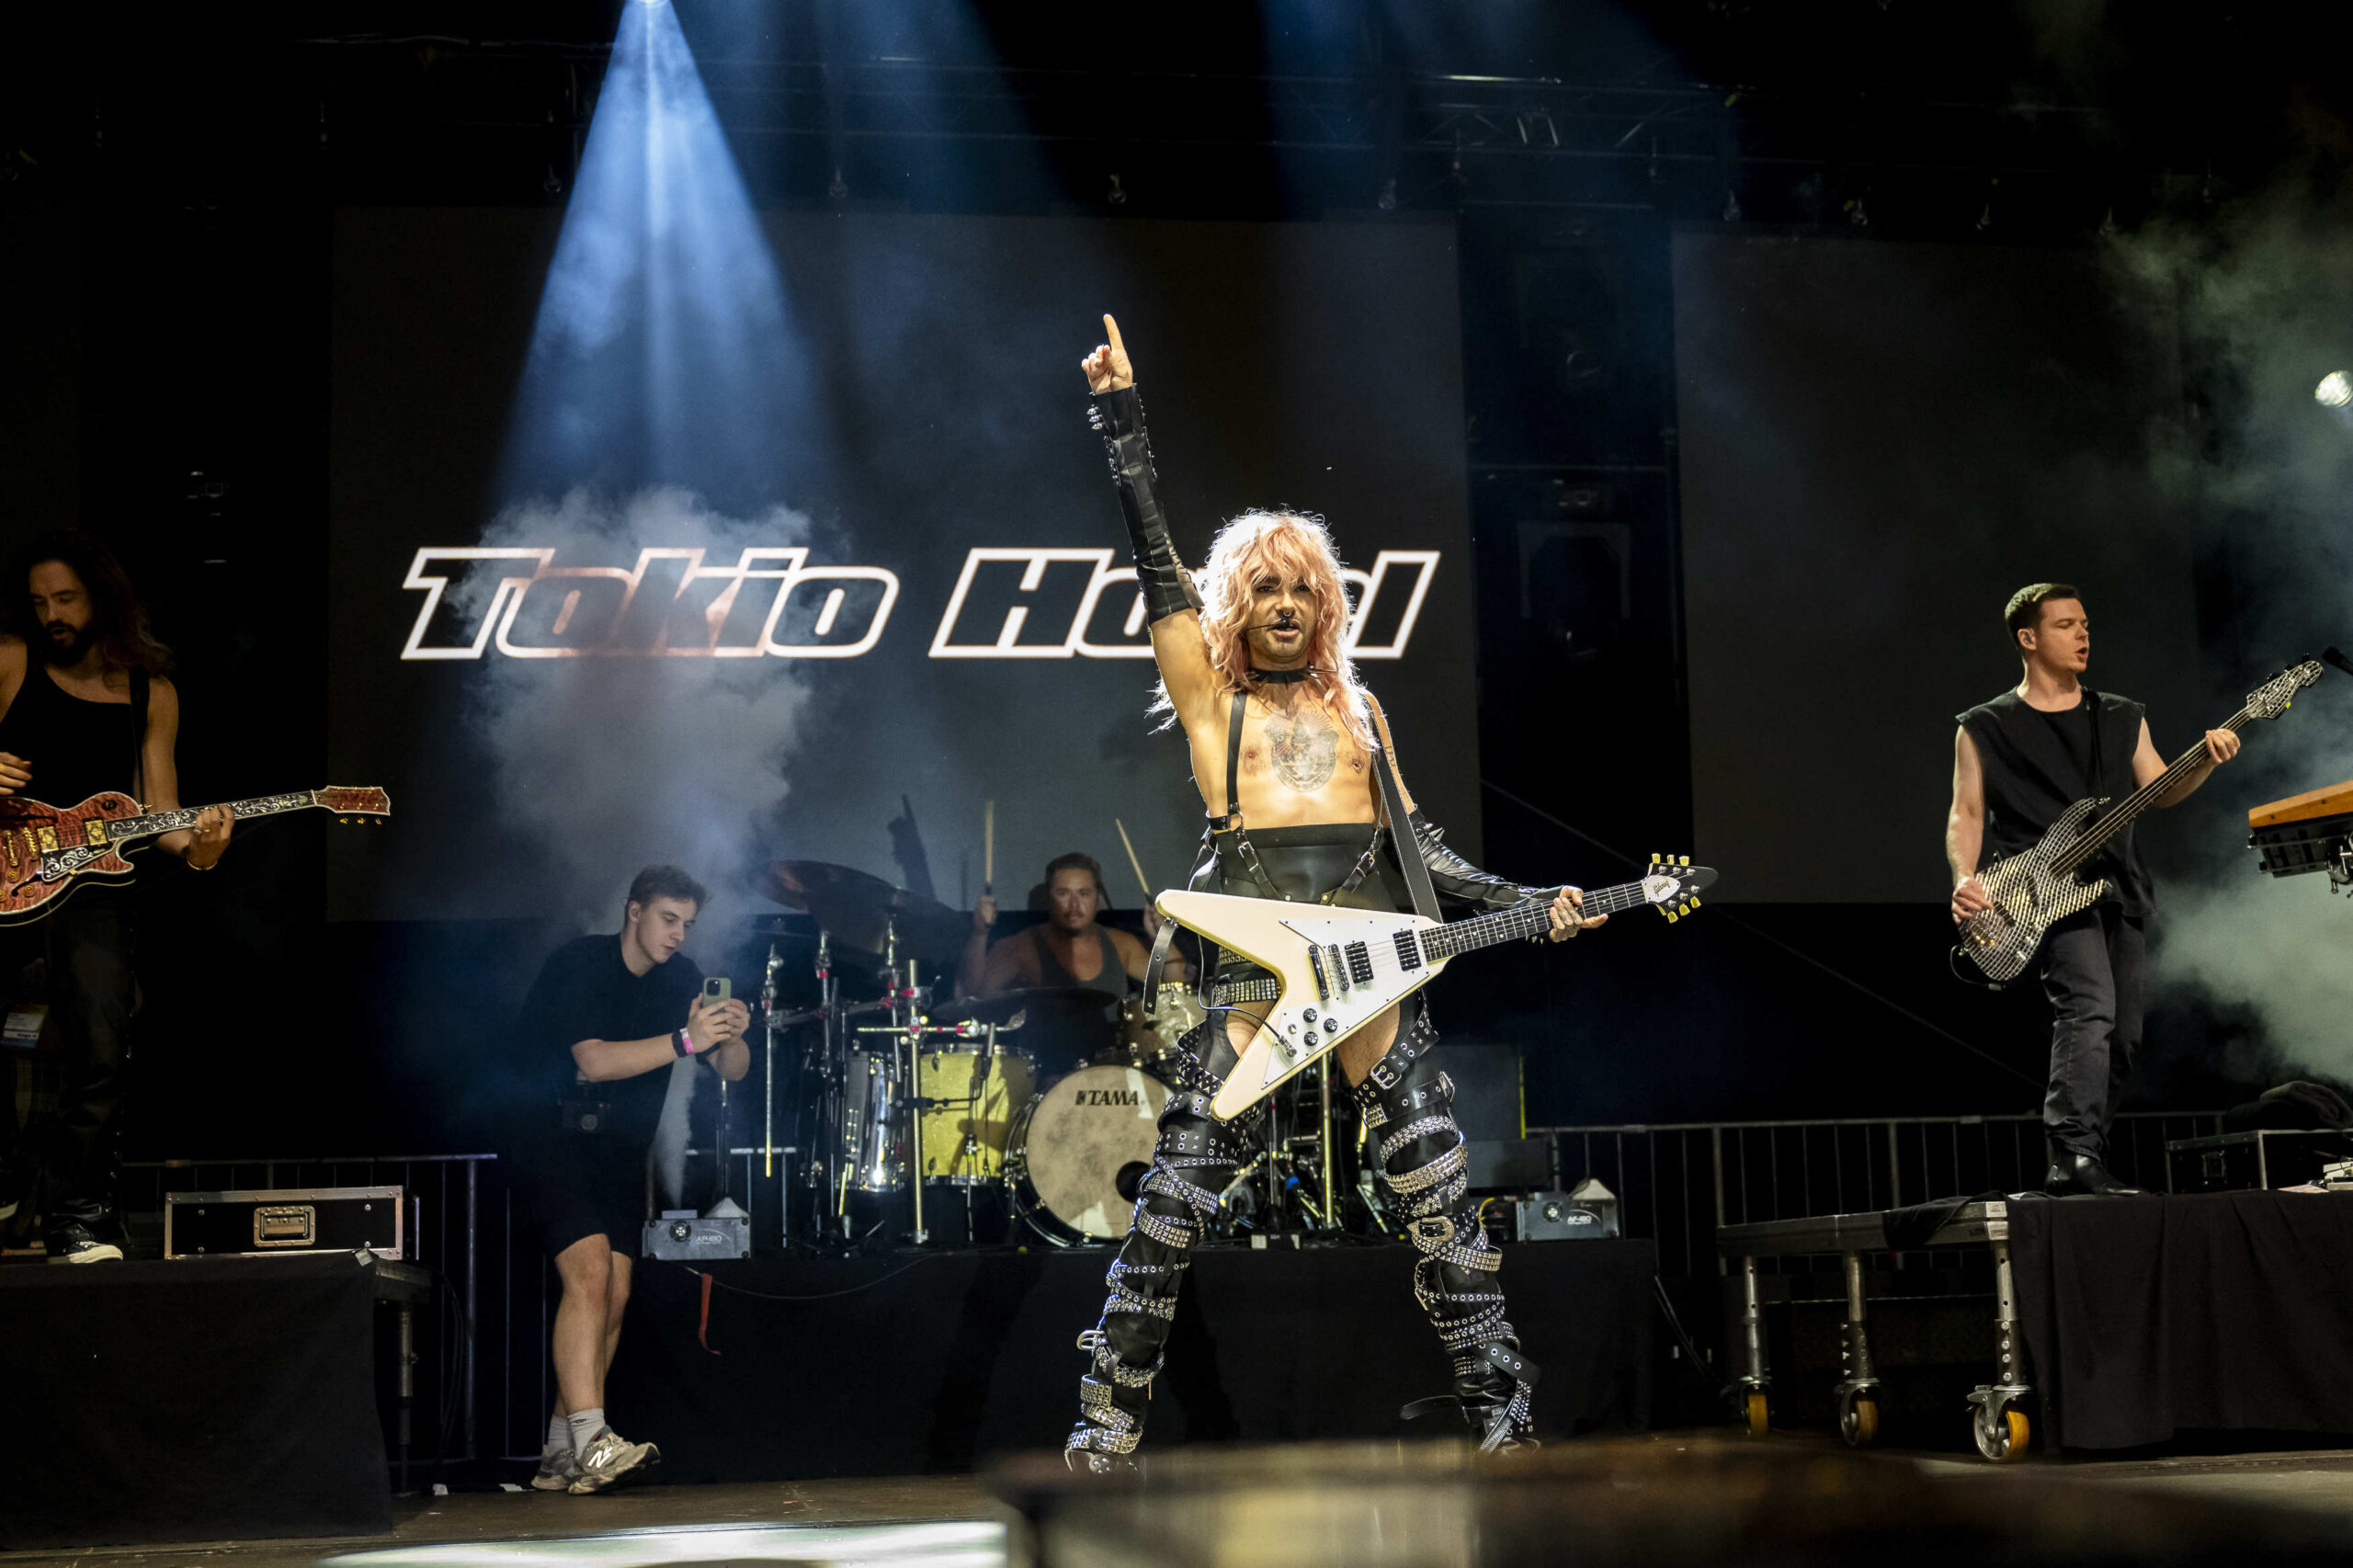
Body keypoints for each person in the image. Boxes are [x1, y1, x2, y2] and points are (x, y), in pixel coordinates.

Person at [1061, 315, 1604, 1469]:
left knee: (1441, 1197)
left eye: (1301, 587)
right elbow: (1156, 567)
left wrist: (1533, 896)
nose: (1285, 604)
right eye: (1261, 588)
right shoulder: (1217, 703)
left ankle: (1502, 1411)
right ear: (1235, 608)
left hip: (1368, 975)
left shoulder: (1361, 710)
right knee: (1168, 1208)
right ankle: (1103, 1425)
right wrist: (1122, 424)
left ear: (1327, 602)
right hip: (1259, 976)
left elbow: (1425, 855)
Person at [1948, 583, 2237, 1197]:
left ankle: (2081, 1156)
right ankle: (2072, 1152)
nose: (2083, 635)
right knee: (2088, 1007)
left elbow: (2158, 788)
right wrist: (1964, 880)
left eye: (2085, 624)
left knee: (2124, 1034)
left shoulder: (2120, 715)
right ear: (2028, 639)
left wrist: (2207, 760)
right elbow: (1967, 813)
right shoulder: (1985, 727)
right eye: (2065, 625)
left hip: (2119, 888)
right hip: (2042, 893)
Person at [0, 532, 232, 1263]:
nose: (52, 615)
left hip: (90, 888)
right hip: (4, 870)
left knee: (102, 1042)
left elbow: (158, 813)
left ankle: (78, 1214)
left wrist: (199, 850)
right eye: (40, 602)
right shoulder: (11, 660)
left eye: (65, 599)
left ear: (103, 598)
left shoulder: (147, 693)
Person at [510, 865, 751, 1494]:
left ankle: (560, 1451)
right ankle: (593, 1441)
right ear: (634, 911)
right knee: (588, 1272)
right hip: (547, 1136)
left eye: (688, 924)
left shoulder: (683, 979)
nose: (678, 935)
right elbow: (594, 1060)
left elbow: (736, 1071)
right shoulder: (582, 963)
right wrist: (685, 1038)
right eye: (669, 919)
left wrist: (728, 1035)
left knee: (614, 1289)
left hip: (619, 1152)